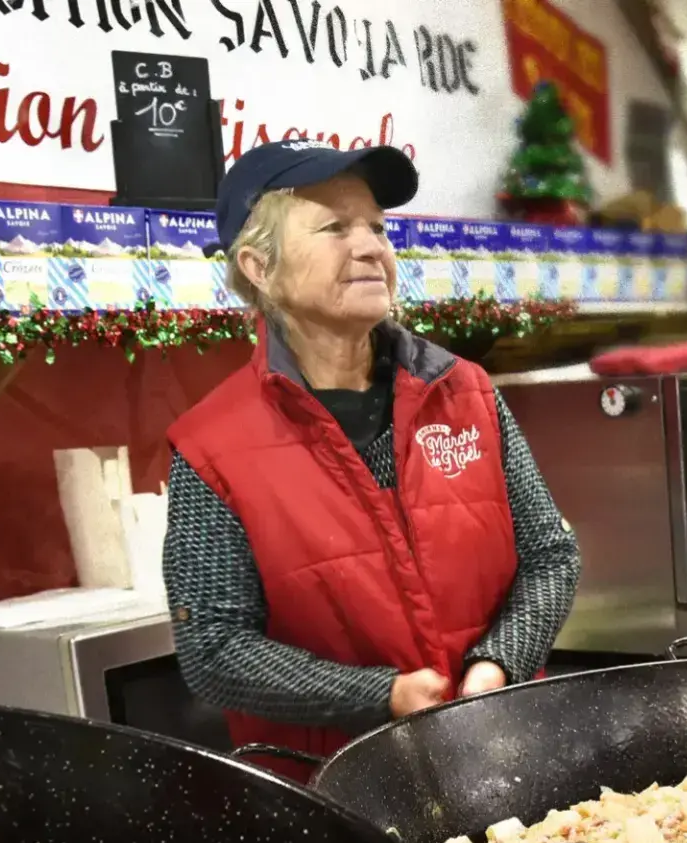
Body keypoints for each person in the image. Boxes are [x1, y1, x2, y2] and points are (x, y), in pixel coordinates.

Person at [162, 140, 581, 765]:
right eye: (334, 228)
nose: (371, 248)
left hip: (505, 754)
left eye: (377, 228)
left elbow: (551, 553)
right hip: (336, 792)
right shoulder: (211, 448)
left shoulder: (464, 391)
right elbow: (215, 651)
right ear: (258, 265)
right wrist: (382, 695)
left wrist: (499, 662)